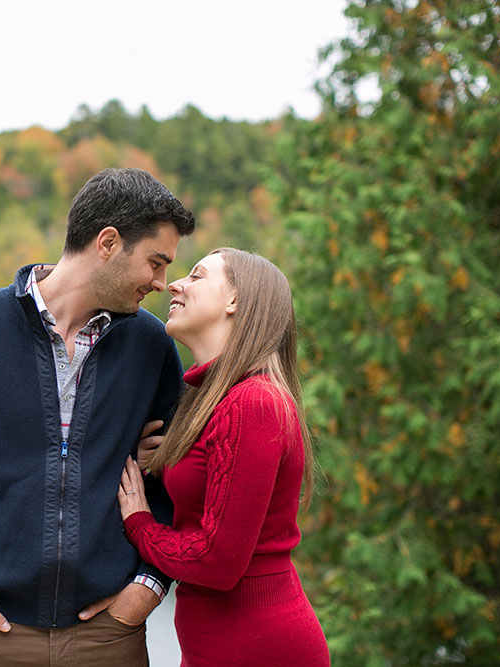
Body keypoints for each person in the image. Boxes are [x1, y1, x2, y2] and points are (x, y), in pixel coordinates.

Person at [0, 168, 196, 666]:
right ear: (108, 242)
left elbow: (176, 473)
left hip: (108, 635)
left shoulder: (151, 345)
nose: (160, 283)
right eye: (155, 263)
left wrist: (149, 586)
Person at [117, 248, 329, 666]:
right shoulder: (212, 401)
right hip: (217, 643)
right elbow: (209, 492)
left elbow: (216, 562)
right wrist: (152, 464)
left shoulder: (254, 403)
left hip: (257, 646)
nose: (174, 283)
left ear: (235, 301)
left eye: (196, 276)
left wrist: (140, 525)